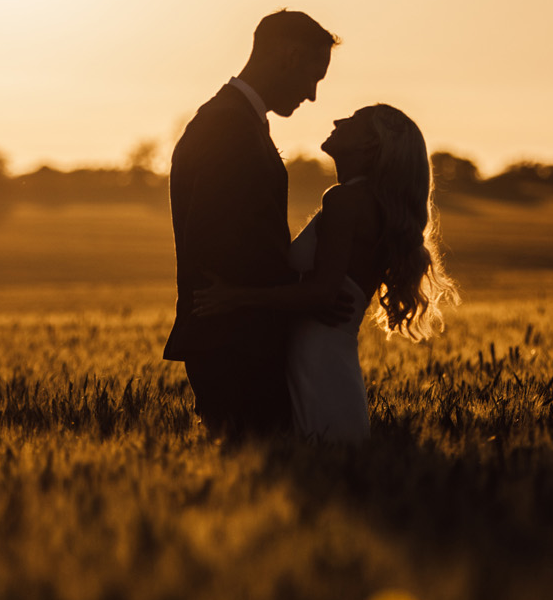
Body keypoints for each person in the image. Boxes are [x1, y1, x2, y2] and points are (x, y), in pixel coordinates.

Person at [193, 104, 459, 442]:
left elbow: (323, 293)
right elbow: (324, 289)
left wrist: (234, 297)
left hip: (316, 362)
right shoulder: (369, 204)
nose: (338, 120)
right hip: (331, 362)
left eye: (355, 120)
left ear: (369, 145)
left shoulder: (345, 200)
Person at [163, 10, 340, 437]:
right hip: (235, 343)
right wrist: (303, 295)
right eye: (314, 77)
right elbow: (223, 245)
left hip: (234, 336)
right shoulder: (229, 126)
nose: (313, 96)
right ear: (289, 55)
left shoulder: (236, 119)